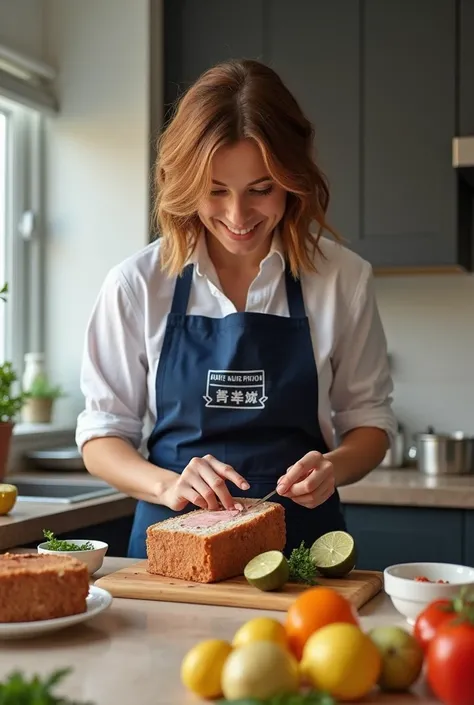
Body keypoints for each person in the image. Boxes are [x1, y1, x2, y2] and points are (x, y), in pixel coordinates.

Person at [75, 59, 396, 559]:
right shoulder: (137, 284)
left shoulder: (343, 279)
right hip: (171, 550)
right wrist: (165, 487)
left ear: (293, 179)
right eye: (215, 191)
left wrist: (334, 468)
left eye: (261, 190)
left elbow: (370, 424)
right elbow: (101, 437)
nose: (238, 216)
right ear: (184, 184)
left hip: (302, 554)